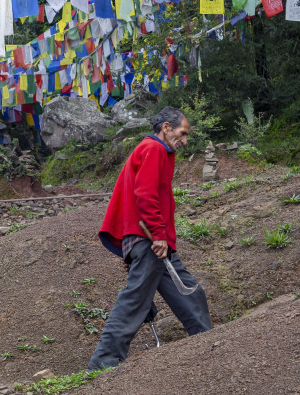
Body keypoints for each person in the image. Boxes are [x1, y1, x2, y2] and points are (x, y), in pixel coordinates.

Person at [87, 106, 211, 371]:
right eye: (182, 133)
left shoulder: (152, 150)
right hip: (150, 239)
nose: (185, 140)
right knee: (134, 302)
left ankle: (208, 342)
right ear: (166, 127)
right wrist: (156, 236)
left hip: (148, 240)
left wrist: (134, 248)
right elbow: (145, 195)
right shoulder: (154, 149)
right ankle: (102, 364)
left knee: (189, 292)